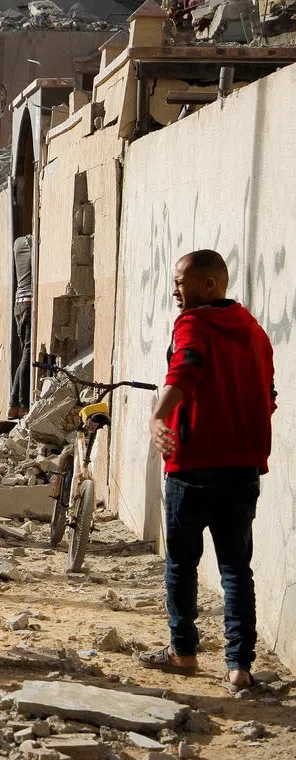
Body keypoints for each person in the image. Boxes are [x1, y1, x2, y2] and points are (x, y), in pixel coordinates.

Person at [138, 249, 275, 694]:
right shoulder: (254, 331)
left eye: (181, 282)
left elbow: (185, 370)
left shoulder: (193, 323)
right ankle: (239, 667)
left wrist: (158, 417)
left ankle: (183, 652)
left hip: (192, 464)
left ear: (209, 285)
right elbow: (269, 396)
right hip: (242, 468)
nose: (175, 291)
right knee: (236, 568)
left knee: (181, 563)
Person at [9, 234, 34, 418]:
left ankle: (13, 404)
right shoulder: (30, 242)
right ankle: (24, 405)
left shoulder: (18, 244)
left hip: (19, 304)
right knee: (28, 354)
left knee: (25, 353)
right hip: (29, 303)